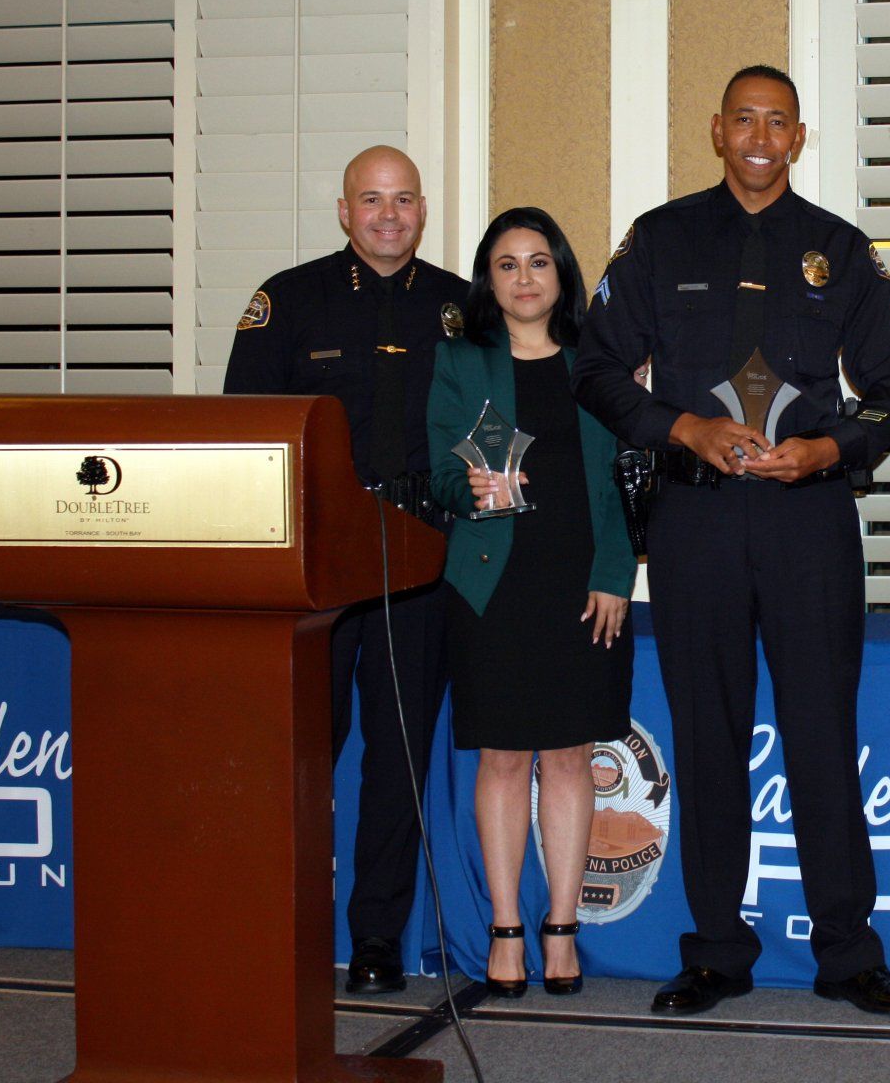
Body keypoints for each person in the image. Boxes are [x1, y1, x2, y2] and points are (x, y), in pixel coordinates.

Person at [572, 65, 890, 1017]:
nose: (761, 136)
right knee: (709, 735)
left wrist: (827, 449)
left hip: (807, 522)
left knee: (821, 737)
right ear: (716, 130)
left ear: (799, 137)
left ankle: (848, 953)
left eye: (779, 121)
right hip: (695, 521)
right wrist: (680, 429)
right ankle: (717, 951)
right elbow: (595, 368)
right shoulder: (660, 239)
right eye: (744, 120)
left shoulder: (839, 250)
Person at [223, 145, 469, 993]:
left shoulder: (458, 307)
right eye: (371, 200)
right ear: (343, 210)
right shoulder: (287, 302)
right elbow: (246, 441)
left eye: (403, 200)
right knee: (298, 757)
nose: (388, 216)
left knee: (397, 763)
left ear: (423, 209)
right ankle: (270, 926)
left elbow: (499, 425)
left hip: (417, 561)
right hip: (316, 569)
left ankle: (375, 944)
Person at [426, 207, 637, 998]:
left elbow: (623, 480)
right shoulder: (460, 361)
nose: (523, 277)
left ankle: (562, 927)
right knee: (505, 757)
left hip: (584, 585)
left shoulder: (598, 363)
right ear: (490, 278)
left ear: (562, 275)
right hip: (492, 585)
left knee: (572, 756)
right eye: (507, 264)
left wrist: (617, 571)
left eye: (538, 262)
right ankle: (507, 926)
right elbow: (440, 471)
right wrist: (472, 490)